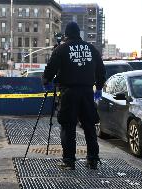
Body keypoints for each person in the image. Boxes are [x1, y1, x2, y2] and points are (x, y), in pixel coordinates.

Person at [42, 22, 106, 170]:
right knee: (89, 126)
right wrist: (99, 87)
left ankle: (69, 160)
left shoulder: (61, 49)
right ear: (79, 33)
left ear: (66, 34)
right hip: (87, 93)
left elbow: (50, 68)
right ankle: (93, 159)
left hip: (69, 93)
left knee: (68, 126)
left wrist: (46, 81)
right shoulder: (91, 49)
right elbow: (101, 70)